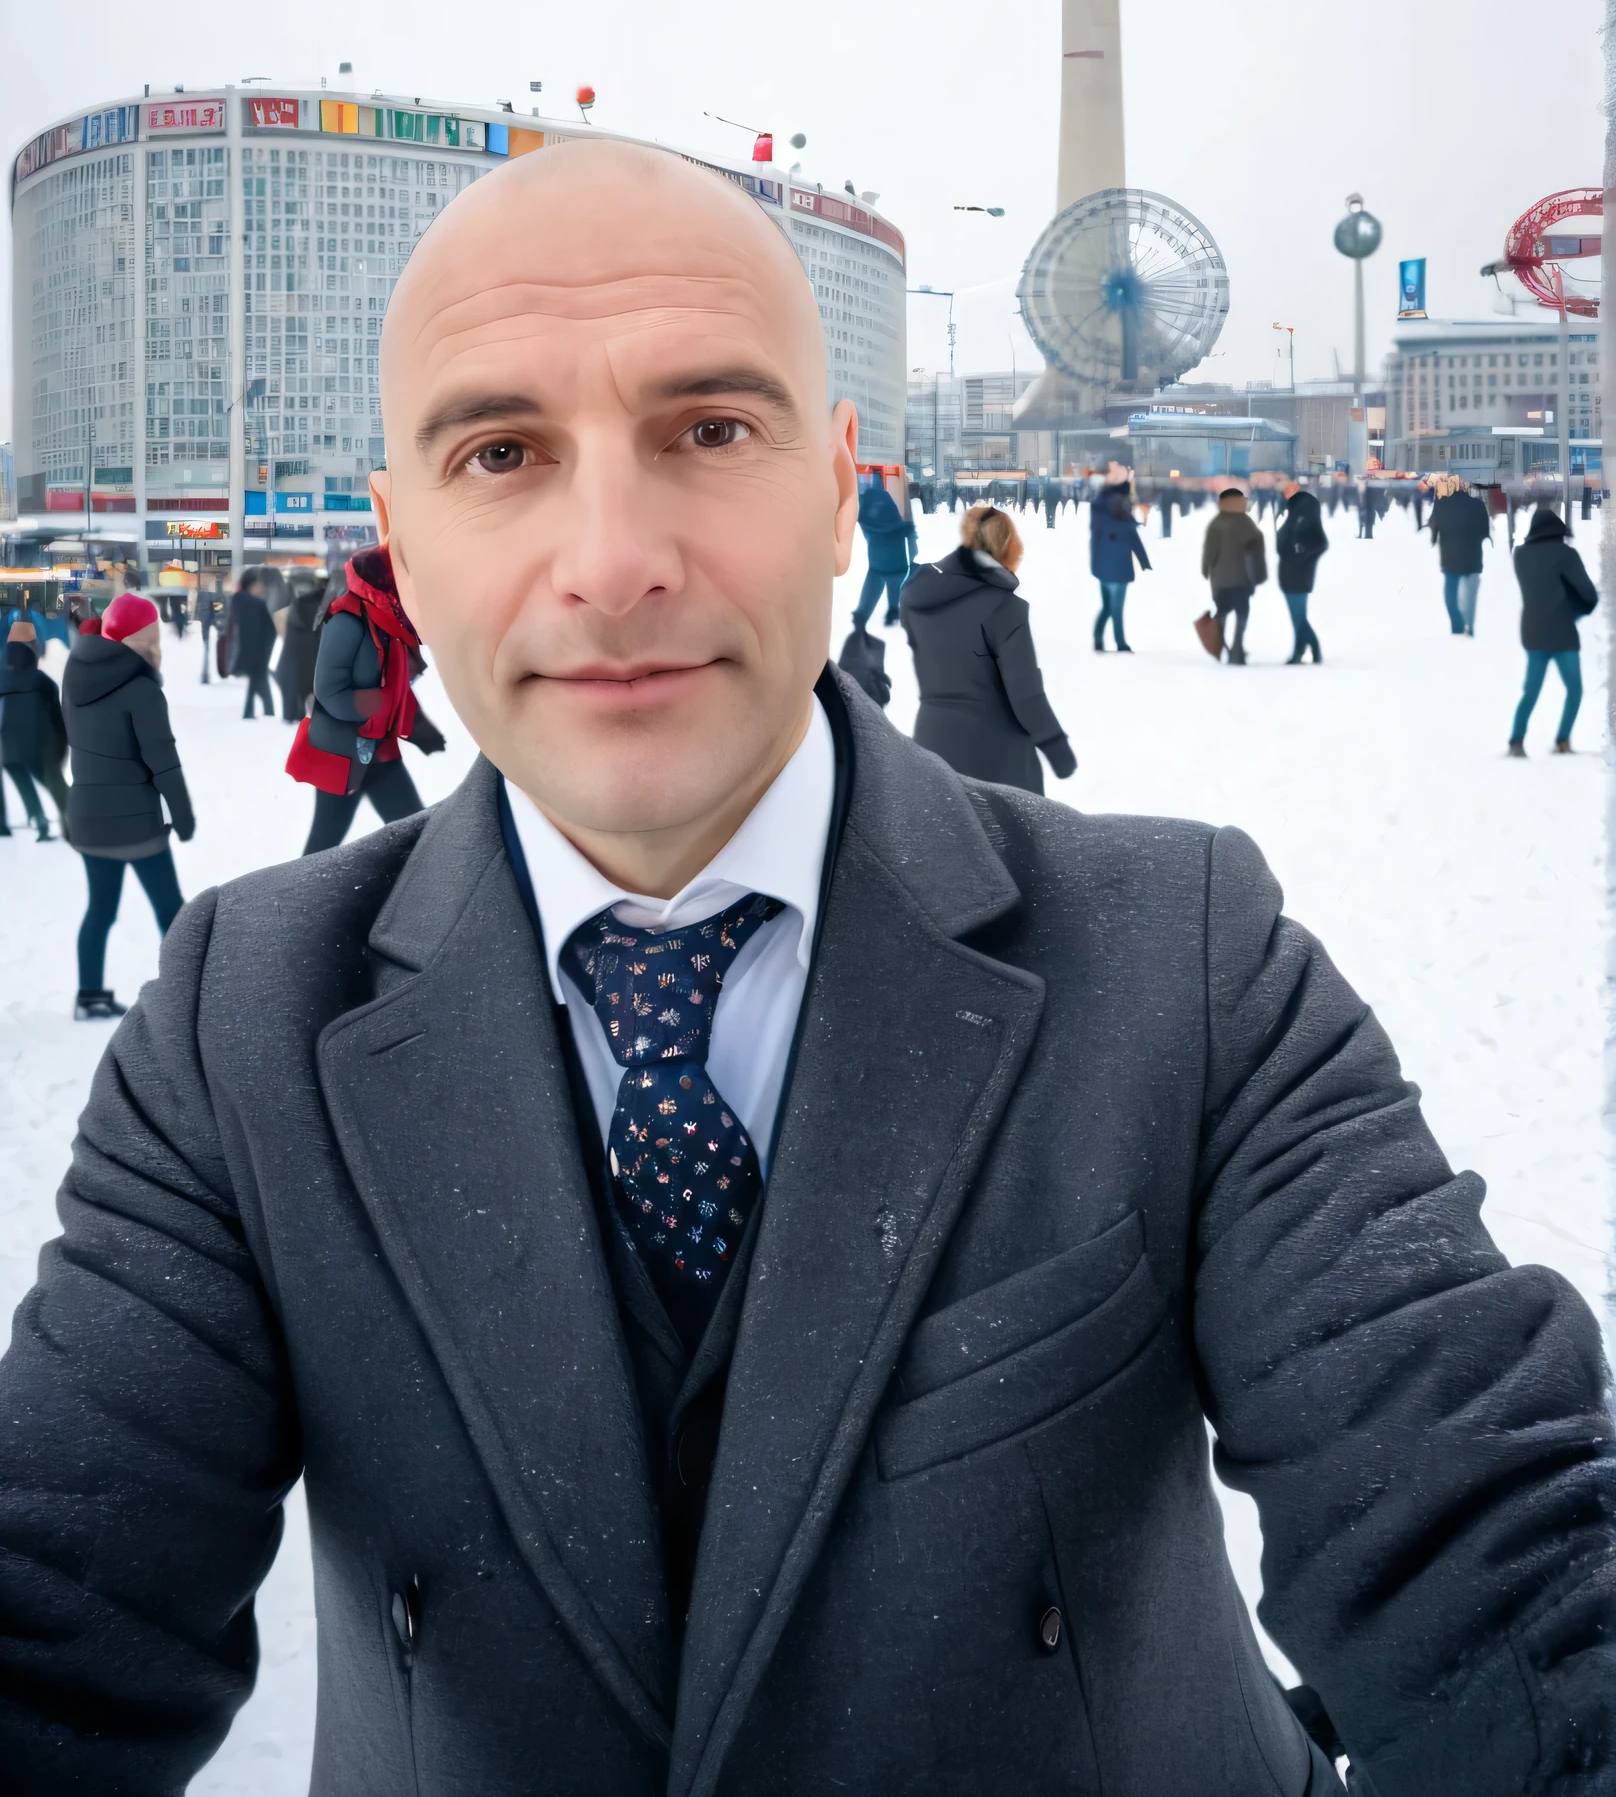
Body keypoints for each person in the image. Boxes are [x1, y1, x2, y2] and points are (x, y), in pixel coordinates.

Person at [0, 141, 1611, 1796]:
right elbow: (58, 1586)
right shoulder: (242, 1025)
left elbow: (1491, 1541)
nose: (613, 560)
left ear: (843, 486)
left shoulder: (1181, 961)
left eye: (710, 429)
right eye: (503, 451)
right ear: (402, 548)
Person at [58, 589, 193, 1024]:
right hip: (136, 825)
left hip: (88, 819)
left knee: (99, 910)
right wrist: (183, 814)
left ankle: (89, 995)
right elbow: (163, 760)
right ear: (143, 636)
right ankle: (188, 994)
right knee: (172, 909)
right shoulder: (141, 689)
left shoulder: (76, 673)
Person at [900, 501, 1075, 793]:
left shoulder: (914, 596)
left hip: (931, 747)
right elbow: (1026, 695)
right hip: (997, 758)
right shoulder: (1004, 608)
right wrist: (1057, 748)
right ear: (1010, 547)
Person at [287, 546, 441, 852]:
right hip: (342, 752)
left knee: (413, 836)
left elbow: (396, 687)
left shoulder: (388, 624)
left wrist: (421, 729)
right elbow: (328, 690)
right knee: (322, 848)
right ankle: (297, 897)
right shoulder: (347, 620)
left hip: (379, 751)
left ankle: (420, 896)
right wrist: (374, 705)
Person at [1507, 504, 1599, 755]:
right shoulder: (1567, 554)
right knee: (1575, 690)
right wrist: (1577, 611)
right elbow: (1588, 594)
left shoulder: (1520, 554)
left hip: (1533, 631)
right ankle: (1562, 740)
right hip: (1563, 633)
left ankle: (1516, 741)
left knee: (1531, 691)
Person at [0, 620, 68, 836]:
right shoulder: (42, 681)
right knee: (53, 781)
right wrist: (62, 746)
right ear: (33, 647)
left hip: (6, 741)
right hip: (39, 742)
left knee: (17, 771)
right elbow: (57, 719)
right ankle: (73, 821)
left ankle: (34, 817)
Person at [1200, 484, 1267, 662]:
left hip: (1220, 580)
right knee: (1242, 613)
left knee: (1222, 613)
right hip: (1242, 581)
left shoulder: (1217, 523)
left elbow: (1209, 552)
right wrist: (1260, 574)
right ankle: (1237, 647)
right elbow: (1257, 548)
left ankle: (1221, 646)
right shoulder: (1246, 523)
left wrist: (1206, 570)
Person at [1088, 461, 1150, 651]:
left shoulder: (1100, 511)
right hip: (1119, 567)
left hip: (1103, 566)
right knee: (1116, 607)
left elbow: (1094, 540)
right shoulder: (1123, 519)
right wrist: (1144, 561)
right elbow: (1134, 540)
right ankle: (1120, 642)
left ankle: (1098, 638)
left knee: (1107, 606)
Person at [850, 470, 916, 632]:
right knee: (890, 581)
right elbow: (899, 523)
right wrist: (907, 532)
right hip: (895, 557)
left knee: (876, 581)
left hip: (880, 555)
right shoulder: (885, 499)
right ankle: (890, 613)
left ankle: (864, 615)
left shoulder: (867, 502)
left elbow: (866, 524)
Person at [1275, 475, 1327, 663]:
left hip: (1298, 575)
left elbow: (1319, 545)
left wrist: (1301, 556)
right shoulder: (1294, 519)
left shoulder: (1306, 524)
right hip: (1290, 575)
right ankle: (1299, 649)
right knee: (1297, 616)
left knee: (1298, 617)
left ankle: (1312, 647)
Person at [1429, 475, 1489, 635]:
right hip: (1473, 557)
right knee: (1470, 595)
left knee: (1451, 594)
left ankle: (1458, 625)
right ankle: (1469, 626)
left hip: (1450, 556)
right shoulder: (1478, 505)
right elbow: (1485, 532)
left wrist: (1435, 539)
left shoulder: (1441, 504)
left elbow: (1434, 526)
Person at [226, 566, 277, 717]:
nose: (262, 587)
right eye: (259, 584)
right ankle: (267, 714)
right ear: (250, 584)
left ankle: (250, 712)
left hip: (256, 652)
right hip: (255, 652)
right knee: (261, 683)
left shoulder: (245, 602)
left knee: (258, 682)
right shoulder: (251, 603)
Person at [276, 569, 323, 723]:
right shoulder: (321, 606)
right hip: (315, 655)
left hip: (296, 655)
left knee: (292, 684)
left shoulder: (294, 608)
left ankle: (293, 714)